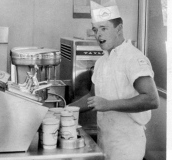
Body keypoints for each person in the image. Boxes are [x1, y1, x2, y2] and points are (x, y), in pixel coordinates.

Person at [68, 1, 160, 160]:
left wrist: (109, 104)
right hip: (105, 140)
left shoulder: (134, 58)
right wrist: (66, 109)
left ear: (119, 29)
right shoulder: (101, 62)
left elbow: (152, 99)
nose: (98, 35)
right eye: (95, 30)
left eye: (104, 29)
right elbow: (92, 97)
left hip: (127, 144)